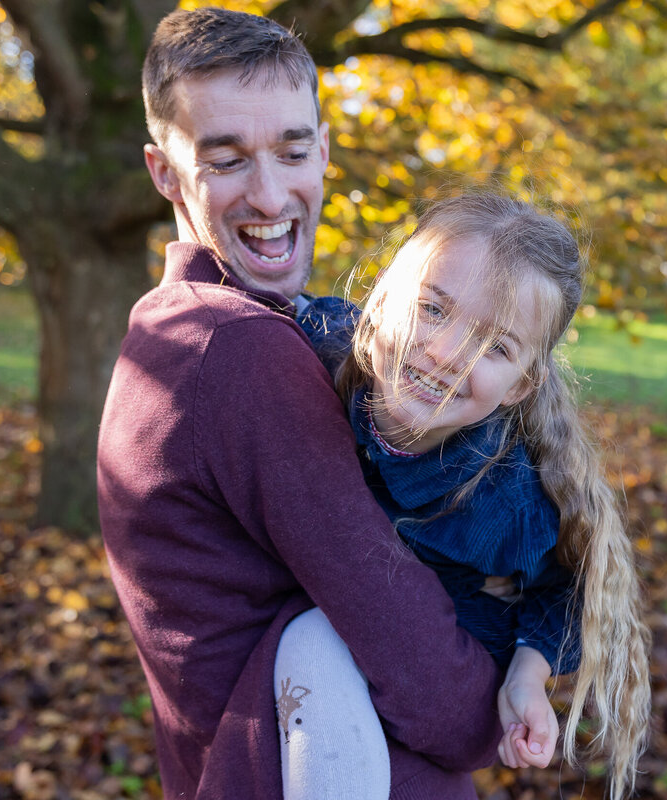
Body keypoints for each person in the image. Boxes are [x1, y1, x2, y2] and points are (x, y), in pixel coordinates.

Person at [96, 8, 503, 799]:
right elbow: (403, 638)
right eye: (226, 160)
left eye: (291, 150)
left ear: (324, 147)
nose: (270, 193)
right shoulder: (235, 350)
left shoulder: (168, 327)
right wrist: (489, 710)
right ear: (165, 173)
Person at [293, 192, 653, 800]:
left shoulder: (504, 505)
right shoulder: (311, 349)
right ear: (381, 300)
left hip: (446, 646)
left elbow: (570, 589)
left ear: (521, 386)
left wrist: (527, 677)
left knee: (313, 642)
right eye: (432, 308)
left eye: (496, 348)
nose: (446, 354)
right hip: (330, 610)